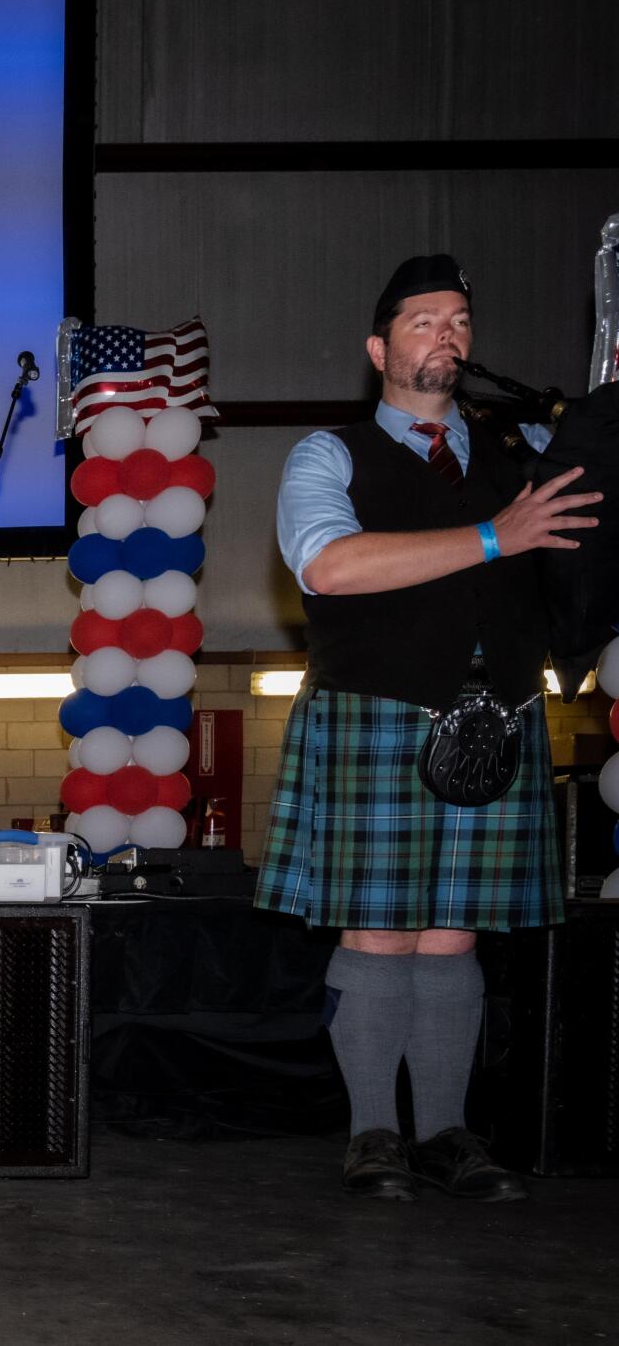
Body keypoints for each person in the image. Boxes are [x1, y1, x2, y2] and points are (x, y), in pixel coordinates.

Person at [260, 255, 601, 1202]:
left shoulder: (525, 447)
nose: (446, 332)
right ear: (380, 348)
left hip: (504, 712)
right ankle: (374, 1133)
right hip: (380, 713)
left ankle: (447, 1131)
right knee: (381, 932)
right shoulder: (327, 456)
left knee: (456, 935)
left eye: (459, 318)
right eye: (422, 319)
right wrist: (498, 534)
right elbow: (331, 567)